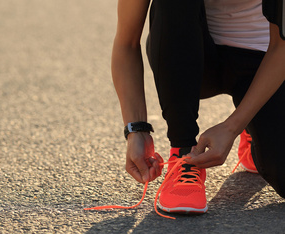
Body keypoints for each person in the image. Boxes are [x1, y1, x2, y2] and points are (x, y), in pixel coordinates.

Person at [112, 0, 285, 215]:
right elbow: (126, 43)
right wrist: (136, 130)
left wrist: (232, 127)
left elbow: (282, 48)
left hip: (263, 60)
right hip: (190, 56)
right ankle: (183, 154)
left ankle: (252, 128)